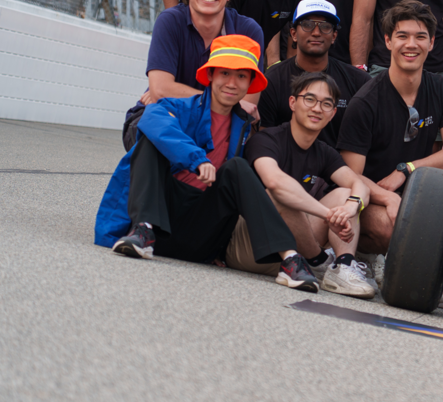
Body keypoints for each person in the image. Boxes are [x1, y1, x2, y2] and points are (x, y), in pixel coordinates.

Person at [96, 35, 319, 292]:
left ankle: (290, 259)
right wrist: (196, 158)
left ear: (249, 84)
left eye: (242, 76)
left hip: (200, 235)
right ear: (210, 74)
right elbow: (152, 120)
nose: (232, 83)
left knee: (238, 168)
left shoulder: (246, 128)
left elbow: (243, 193)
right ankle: (142, 230)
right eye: (224, 73)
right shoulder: (176, 107)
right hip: (159, 225)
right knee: (151, 141)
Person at [336, 0, 443, 315]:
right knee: (393, 228)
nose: (411, 44)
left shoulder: (440, 89)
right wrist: (390, 199)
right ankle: (371, 257)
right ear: (388, 41)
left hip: (414, 190)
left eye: (420, 36)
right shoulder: (365, 101)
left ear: (432, 43)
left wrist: (407, 169)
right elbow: (349, 175)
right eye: (402, 36)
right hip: (375, 199)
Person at [240, 71, 374, 298]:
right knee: (280, 192)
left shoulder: (324, 152)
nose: (317, 108)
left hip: (296, 249)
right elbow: (275, 182)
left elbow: (359, 185)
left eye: (326, 104)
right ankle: (320, 261)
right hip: (253, 245)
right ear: (293, 102)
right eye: (309, 99)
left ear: (333, 113)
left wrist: (351, 207)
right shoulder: (267, 140)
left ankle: (343, 266)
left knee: (345, 194)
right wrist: (329, 215)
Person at [123, 0, 265, 149]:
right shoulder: (170, 21)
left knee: (249, 143)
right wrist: (223, 102)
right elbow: (161, 90)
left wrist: (173, 93)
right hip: (164, 114)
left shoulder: (249, 31)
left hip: (218, 125)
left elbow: (247, 107)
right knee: (155, 128)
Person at [258, 0, 371, 147]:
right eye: (307, 25)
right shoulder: (273, 80)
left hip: (341, 167)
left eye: (325, 26)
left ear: (334, 36)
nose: (316, 33)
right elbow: (264, 141)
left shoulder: (358, 81)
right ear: (293, 34)